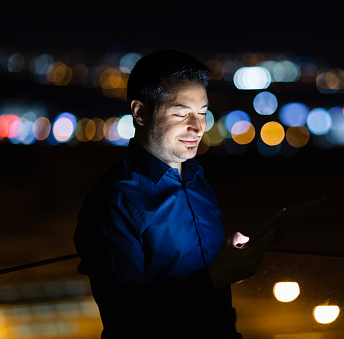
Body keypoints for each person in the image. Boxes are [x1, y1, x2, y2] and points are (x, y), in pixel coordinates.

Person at [73, 49, 275, 338]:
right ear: (140, 112)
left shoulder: (198, 181)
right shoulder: (114, 200)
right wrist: (215, 276)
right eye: (181, 113)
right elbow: (125, 314)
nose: (198, 126)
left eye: (203, 112)